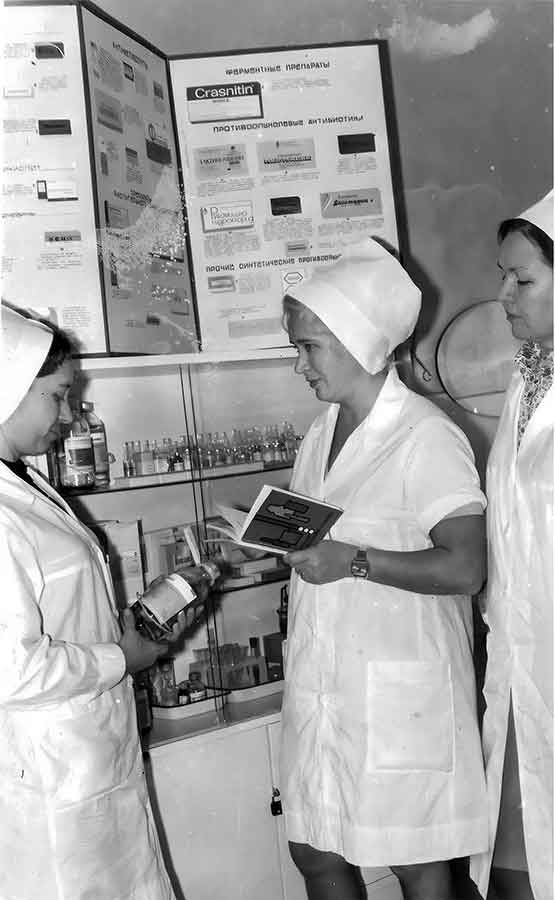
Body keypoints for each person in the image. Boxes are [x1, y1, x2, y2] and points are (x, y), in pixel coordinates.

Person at [278, 238, 489, 900]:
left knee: (415, 863)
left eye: (309, 347)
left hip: (399, 697)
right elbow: (318, 534)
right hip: (323, 683)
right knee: (315, 851)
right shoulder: (321, 433)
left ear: (357, 342)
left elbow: (465, 566)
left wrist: (353, 561)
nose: (299, 364)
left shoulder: (425, 435)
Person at [0, 303, 180, 900]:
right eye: (57, 396)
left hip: (89, 754)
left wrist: (128, 626)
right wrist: (120, 658)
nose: (70, 413)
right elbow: (12, 669)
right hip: (50, 778)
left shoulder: (24, 478)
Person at [470, 190, 553, 900]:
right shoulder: (527, 375)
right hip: (521, 660)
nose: (502, 295)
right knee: (511, 867)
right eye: (503, 276)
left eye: (521, 279)